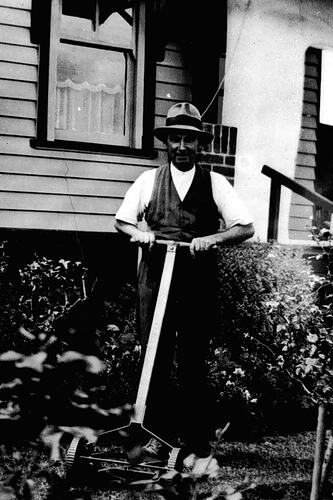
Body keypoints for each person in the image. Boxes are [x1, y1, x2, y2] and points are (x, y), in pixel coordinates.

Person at [114, 102, 255, 458]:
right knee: (154, 357)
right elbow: (122, 221)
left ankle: (195, 441)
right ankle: (155, 438)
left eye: (189, 140)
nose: (182, 147)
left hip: (196, 280)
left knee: (192, 360)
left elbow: (246, 226)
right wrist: (140, 234)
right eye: (175, 139)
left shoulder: (215, 182)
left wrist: (214, 238)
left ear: (199, 145)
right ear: (167, 142)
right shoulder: (148, 180)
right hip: (155, 276)